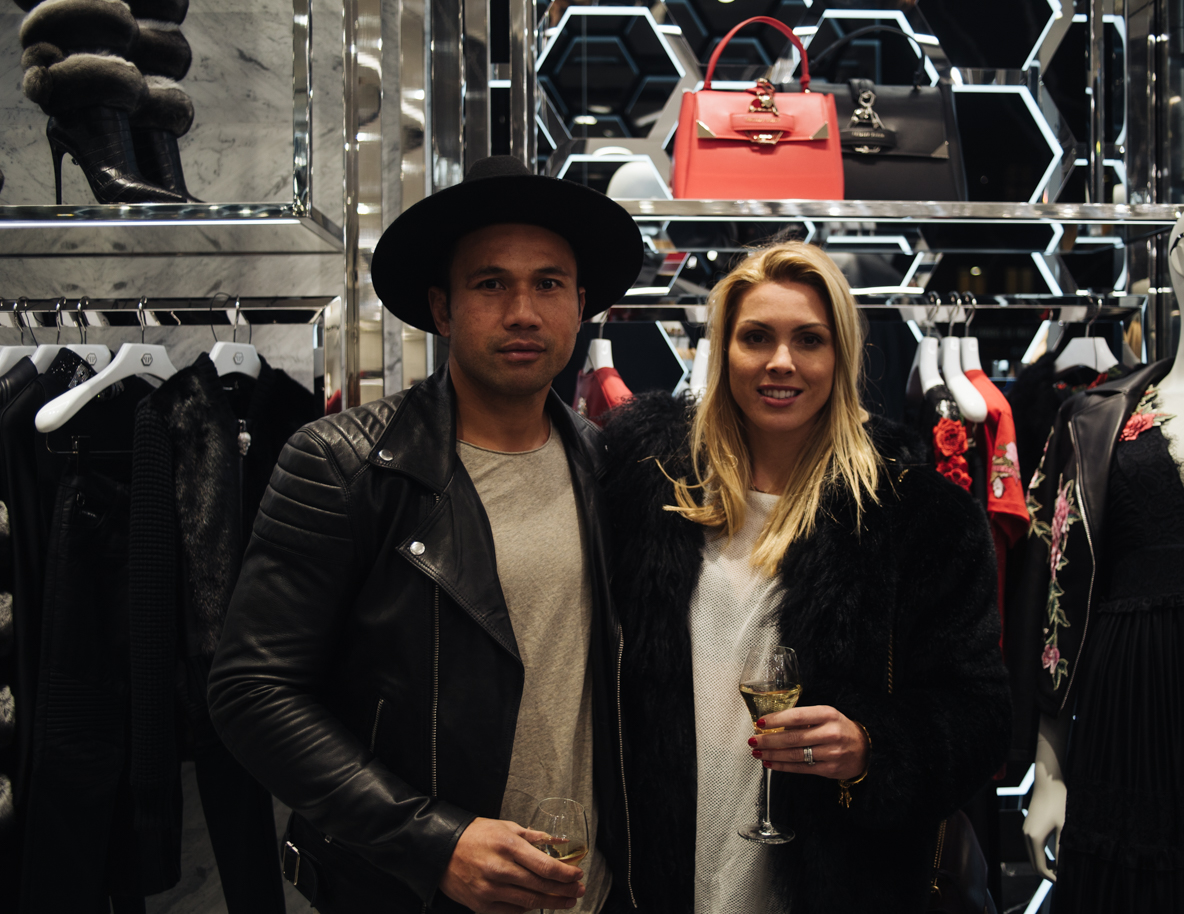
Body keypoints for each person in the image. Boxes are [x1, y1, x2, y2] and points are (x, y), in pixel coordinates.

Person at [206, 155, 644, 914]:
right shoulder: (344, 465)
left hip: (586, 889)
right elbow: (252, 691)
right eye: (490, 284)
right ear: (442, 309)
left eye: (548, 284)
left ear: (580, 306)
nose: (523, 312)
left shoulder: (609, 468)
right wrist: (433, 841)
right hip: (416, 893)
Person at [600, 241, 1011, 913]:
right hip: (663, 873)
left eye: (809, 340)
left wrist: (871, 747)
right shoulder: (649, 493)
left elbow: (980, 716)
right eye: (756, 337)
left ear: (841, 357)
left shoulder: (917, 517)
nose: (781, 362)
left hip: (837, 880)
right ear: (723, 350)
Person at [1020, 187, 1184, 912]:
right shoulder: (1093, 418)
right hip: (1131, 709)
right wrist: (1050, 772)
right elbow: (1056, 598)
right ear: (1180, 258)